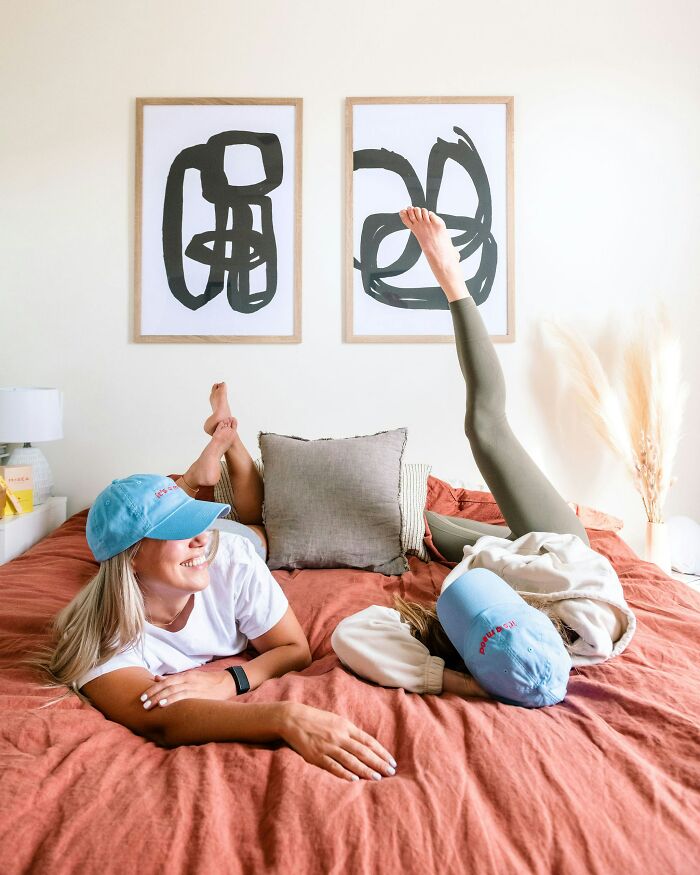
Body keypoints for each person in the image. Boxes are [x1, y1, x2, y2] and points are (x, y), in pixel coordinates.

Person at [331, 207, 633, 707]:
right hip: (552, 545)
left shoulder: (462, 656)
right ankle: (453, 279)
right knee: (485, 428)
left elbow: (351, 634)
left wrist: (453, 681)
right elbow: (579, 568)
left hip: (500, 557)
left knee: (406, 524)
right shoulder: (591, 620)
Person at [36, 411, 396, 783]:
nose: (199, 536)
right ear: (131, 557)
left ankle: (204, 471)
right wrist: (284, 717)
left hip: (239, 540)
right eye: (177, 528)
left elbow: (294, 649)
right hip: (164, 566)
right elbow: (160, 719)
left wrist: (229, 680)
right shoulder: (99, 633)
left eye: (195, 520)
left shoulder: (230, 557)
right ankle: (198, 476)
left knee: (258, 532)